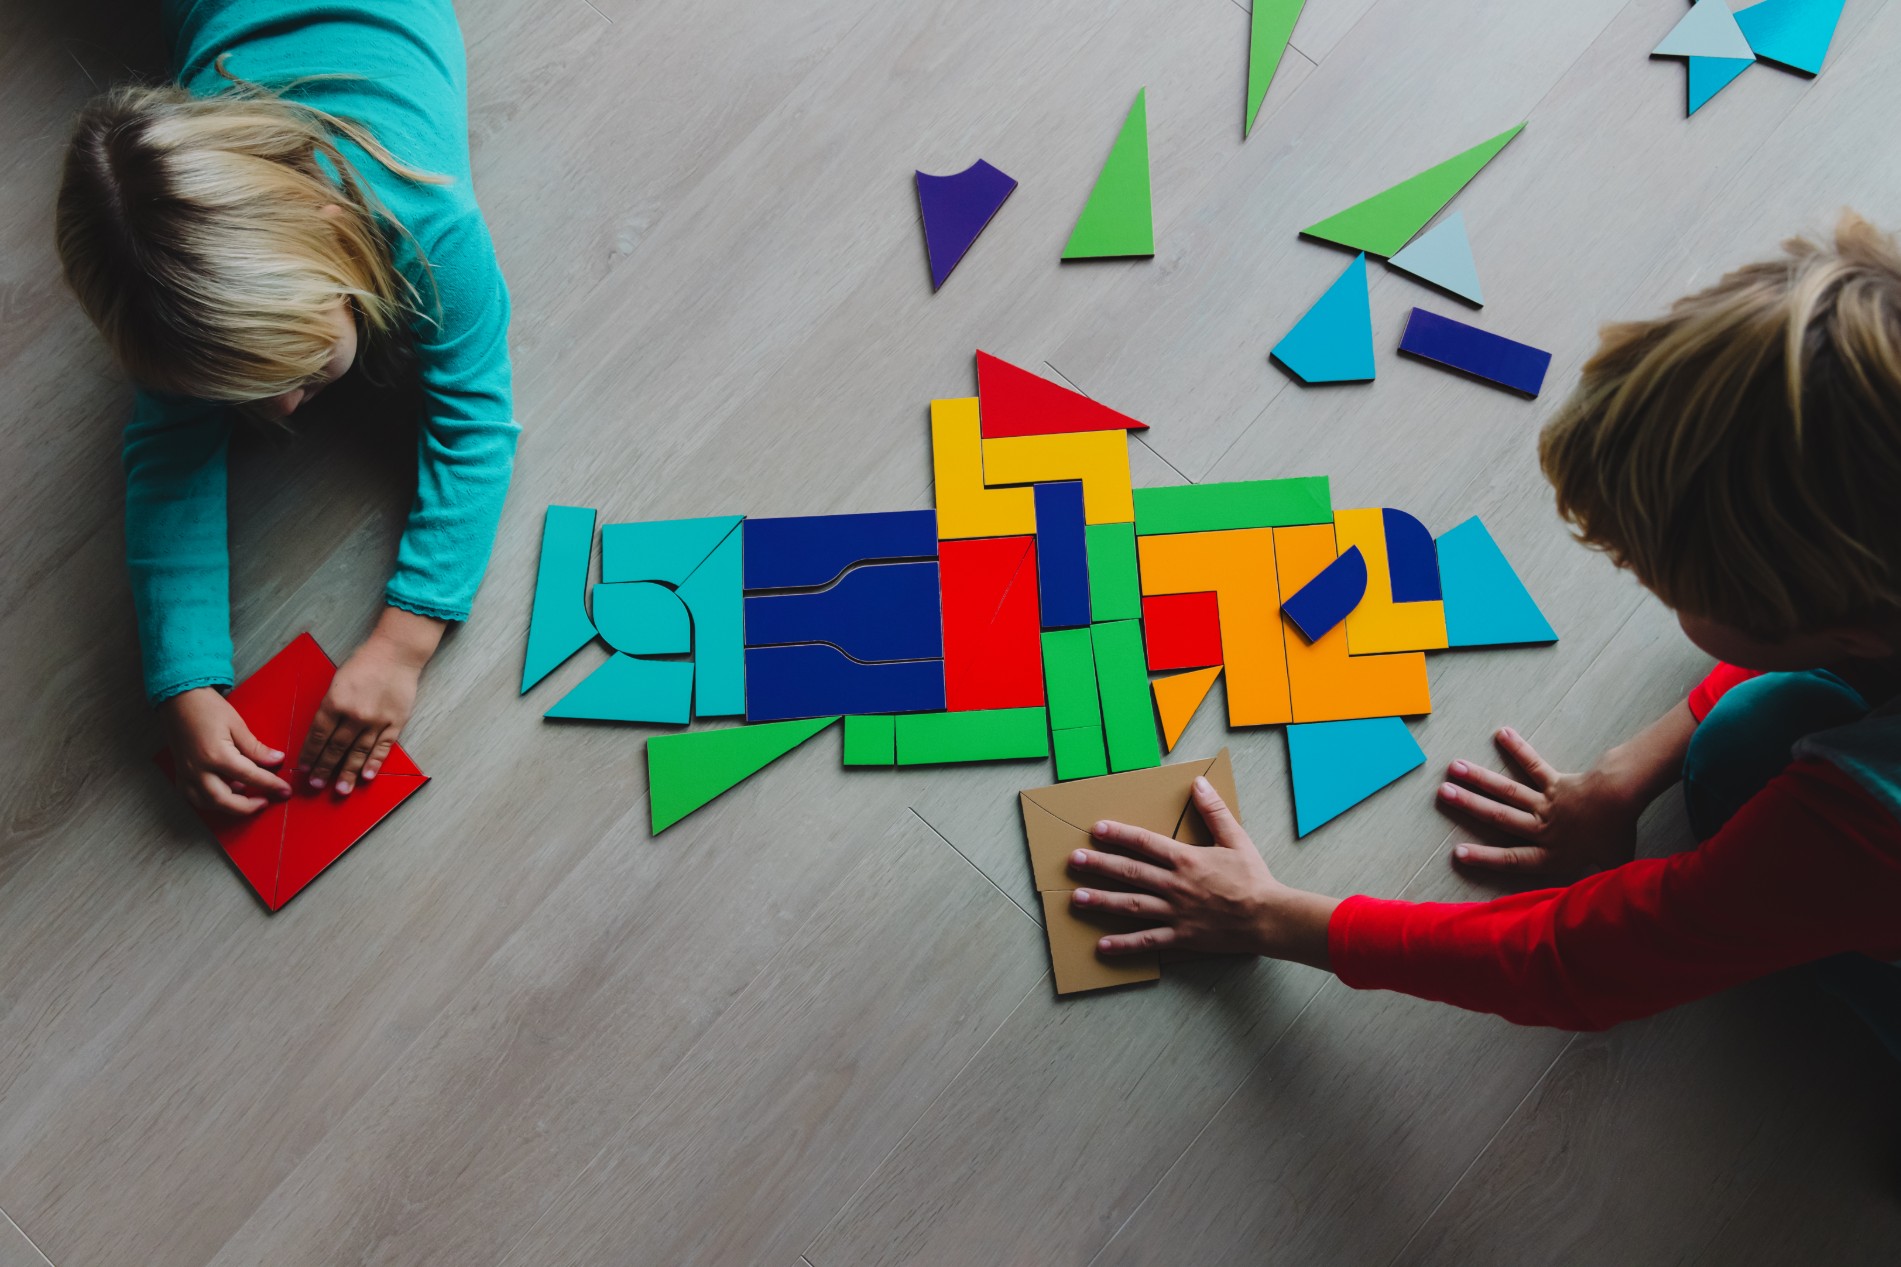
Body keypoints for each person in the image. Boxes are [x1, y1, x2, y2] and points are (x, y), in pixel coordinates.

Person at [1070, 213, 1901, 1059]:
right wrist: (1623, 776)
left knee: (1739, 766)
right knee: (1751, 724)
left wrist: (1274, 915)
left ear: (1857, 629)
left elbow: (1578, 961)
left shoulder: (1869, 828)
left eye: (1672, 586)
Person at [56, 0, 516, 816]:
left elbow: (476, 428)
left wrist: (403, 642)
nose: (283, 410)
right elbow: (169, 468)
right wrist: (186, 676)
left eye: (302, 370)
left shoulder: (434, 229)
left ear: (333, 235)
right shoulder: (182, 313)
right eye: (238, 397)